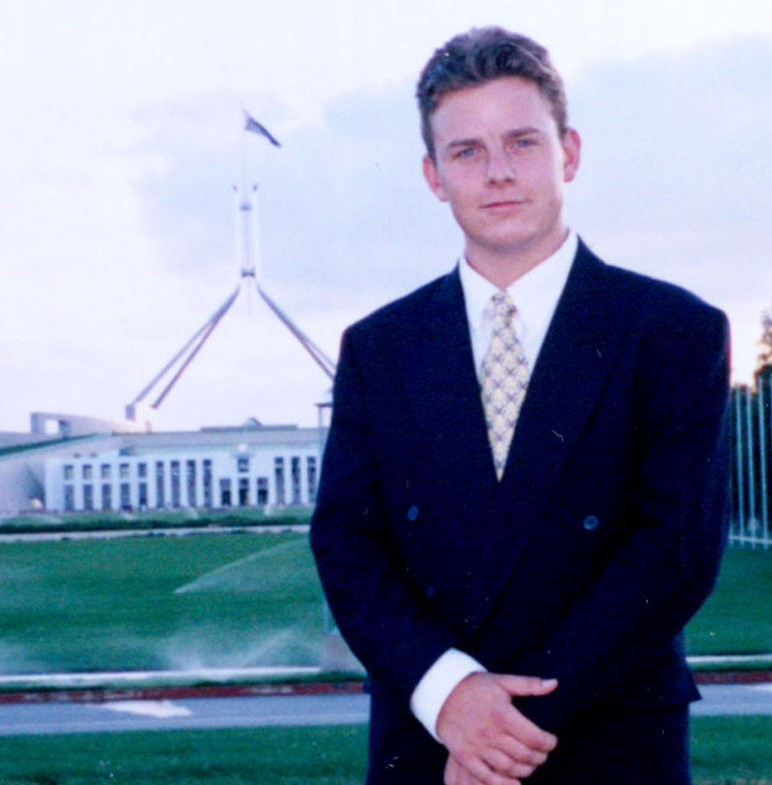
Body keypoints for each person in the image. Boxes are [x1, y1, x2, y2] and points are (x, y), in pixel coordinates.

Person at [311, 26, 731, 785]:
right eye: (467, 151)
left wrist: (502, 728)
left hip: (608, 741)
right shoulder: (378, 348)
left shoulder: (673, 331)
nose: (498, 173)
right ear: (433, 175)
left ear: (569, 152)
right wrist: (450, 697)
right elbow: (346, 544)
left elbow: (674, 552)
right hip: (430, 742)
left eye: (522, 142)